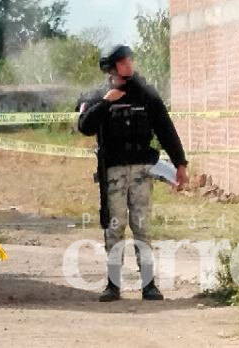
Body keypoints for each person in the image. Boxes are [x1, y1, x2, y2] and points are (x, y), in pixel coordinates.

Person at [77, 45, 188, 302]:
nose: (129, 64)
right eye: (123, 61)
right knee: (114, 228)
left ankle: (148, 284)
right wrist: (106, 103)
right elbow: (85, 126)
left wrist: (180, 163)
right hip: (113, 171)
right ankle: (113, 285)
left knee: (142, 227)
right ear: (111, 67)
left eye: (130, 60)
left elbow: (165, 129)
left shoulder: (146, 94)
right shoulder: (98, 95)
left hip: (141, 170)